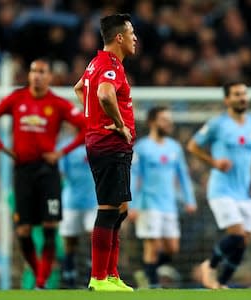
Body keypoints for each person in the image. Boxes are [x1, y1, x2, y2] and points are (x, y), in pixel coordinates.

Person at [0, 58, 86, 289]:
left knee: (49, 226)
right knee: (24, 230)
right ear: (29, 75)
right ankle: (39, 275)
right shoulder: (17, 98)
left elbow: (86, 127)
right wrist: (0, 147)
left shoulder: (57, 103)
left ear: (49, 77)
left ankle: (40, 281)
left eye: (41, 72)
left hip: (48, 172)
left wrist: (62, 152)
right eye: (33, 71)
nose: (36, 75)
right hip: (23, 171)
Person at [73, 13, 137, 292]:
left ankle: (111, 274)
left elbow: (79, 89)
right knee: (109, 209)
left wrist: (93, 120)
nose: (135, 38)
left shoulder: (94, 63)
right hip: (109, 144)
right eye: (131, 32)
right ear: (119, 37)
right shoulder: (110, 65)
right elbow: (104, 94)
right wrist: (119, 125)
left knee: (120, 209)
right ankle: (98, 277)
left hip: (104, 143)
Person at [187, 81, 251, 289]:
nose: (242, 97)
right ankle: (209, 265)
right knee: (237, 234)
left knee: (243, 241)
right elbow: (193, 146)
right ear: (227, 100)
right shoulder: (217, 124)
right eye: (237, 94)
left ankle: (221, 283)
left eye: (244, 93)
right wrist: (214, 162)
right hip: (221, 189)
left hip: (245, 190)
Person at [129, 106, 197, 288]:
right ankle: (152, 286)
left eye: (169, 120)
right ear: (152, 122)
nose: (169, 123)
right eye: (164, 120)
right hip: (148, 203)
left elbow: (183, 175)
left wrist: (189, 199)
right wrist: (132, 205)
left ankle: (145, 273)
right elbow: (134, 177)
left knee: (172, 248)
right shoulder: (142, 148)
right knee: (152, 245)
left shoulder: (174, 148)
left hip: (169, 204)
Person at [57, 124, 98, 288]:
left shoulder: (96, 145)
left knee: (95, 238)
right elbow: (60, 173)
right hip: (71, 203)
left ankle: (93, 278)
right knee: (70, 242)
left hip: (94, 201)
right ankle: (69, 279)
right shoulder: (65, 147)